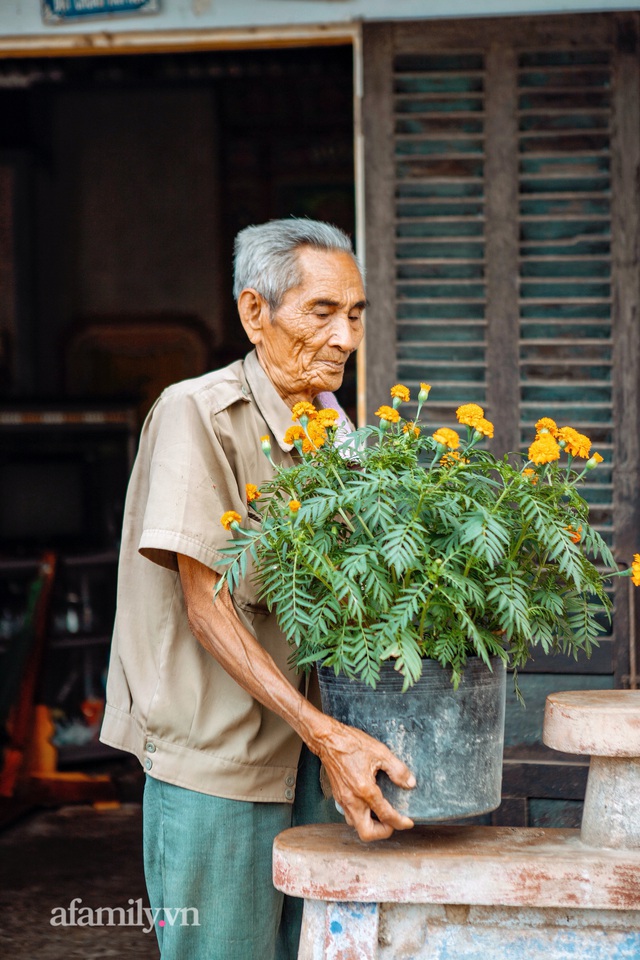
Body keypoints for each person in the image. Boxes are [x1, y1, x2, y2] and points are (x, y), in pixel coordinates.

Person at [100, 218, 416, 960]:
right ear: (254, 313)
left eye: (356, 314)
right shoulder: (197, 413)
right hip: (222, 771)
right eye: (322, 312)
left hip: (315, 762)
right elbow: (206, 606)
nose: (345, 338)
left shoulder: (336, 433)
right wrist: (328, 735)